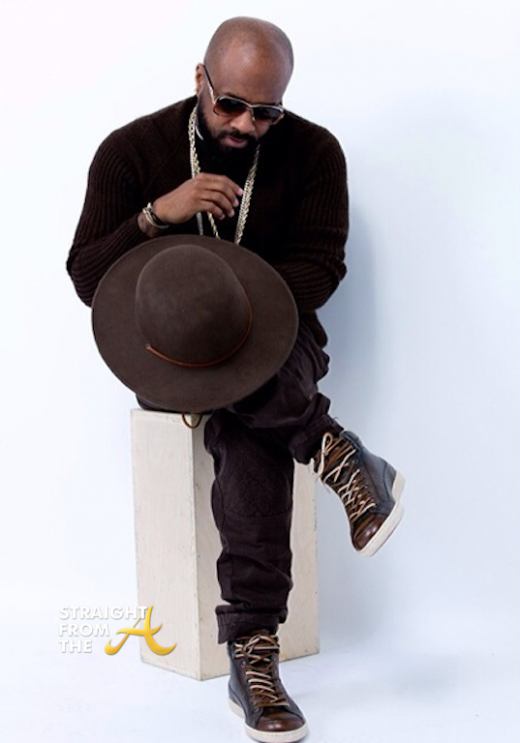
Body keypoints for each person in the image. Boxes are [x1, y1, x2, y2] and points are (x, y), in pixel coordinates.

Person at [67, 16, 404, 743]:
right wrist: (158, 214)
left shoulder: (314, 152)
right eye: (231, 105)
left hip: (279, 343)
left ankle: (251, 655)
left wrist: (242, 315)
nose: (247, 125)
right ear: (201, 79)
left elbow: (321, 268)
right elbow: (88, 277)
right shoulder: (131, 151)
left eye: (267, 112)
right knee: (237, 399)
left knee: (247, 426)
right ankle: (339, 455)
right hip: (164, 353)